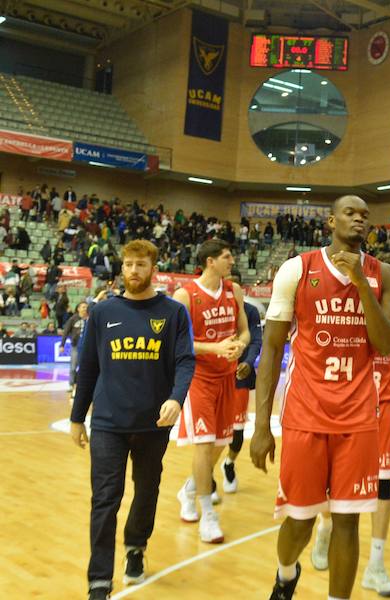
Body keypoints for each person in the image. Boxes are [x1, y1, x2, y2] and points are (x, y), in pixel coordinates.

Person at [250, 195, 390, 600]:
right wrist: (262, 427)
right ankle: (286, 575)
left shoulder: (382, 274)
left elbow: (387, 345)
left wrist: (361, 286)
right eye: (350, 213)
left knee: (348, 521)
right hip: (306, 413)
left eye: (365, 215)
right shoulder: (297, 269)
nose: (359, 219)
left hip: (359, 416)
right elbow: (272, 350)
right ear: (332, 221)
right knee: (299, 520)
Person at [69, 239, 195, 600]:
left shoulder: (173, 313)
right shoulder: (103, 312)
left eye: (141, 265)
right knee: (105, 498)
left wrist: (176, 398)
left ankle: (136, 546)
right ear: (121, 268)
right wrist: (77, 418)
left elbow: (185, 360)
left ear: (153, 268)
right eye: (128, 264)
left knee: (146, 489)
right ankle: (99, 581)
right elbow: (88, 367)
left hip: (154, 423)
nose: (134, 271)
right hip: (108, 423)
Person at [310, 295, 390, 596]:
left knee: (383, 485)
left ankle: (376, 566)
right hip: (349, 404)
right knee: (334, 484)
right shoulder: (343, 303)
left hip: (385, 404)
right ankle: (325, 527)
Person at [174, 239, 250, 543]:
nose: (232, 261)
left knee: (220, 444)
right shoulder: (185, 295)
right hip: (199, 379)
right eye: (227, 257)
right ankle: (207, 514)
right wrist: (214, 348)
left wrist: (239, 345)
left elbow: (245, 330)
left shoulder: (234, 291)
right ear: (210, 261)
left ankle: (190, 488)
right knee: (204, 446)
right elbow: (178, 344)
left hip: (227, 376)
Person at [219, 275, 263, 494]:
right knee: (213, 433)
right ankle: (206, 480)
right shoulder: (212, 310)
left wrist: (248, 361)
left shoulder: (251, 311)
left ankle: (229, 463)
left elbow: (256, 341)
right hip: (215, 377)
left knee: (236, 432)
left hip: (240, 376)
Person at [62, 301, 89, 391]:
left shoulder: (90, 319)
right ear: (78, 309)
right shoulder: (73, 319)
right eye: (83, 307)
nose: (85, 309)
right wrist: (62, 345)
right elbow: (66, 332)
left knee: (85, 367)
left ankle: (83, 385)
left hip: (87, 347)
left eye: (86, 307)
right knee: (73, 367)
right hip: (76, 346)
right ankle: (71, 384)